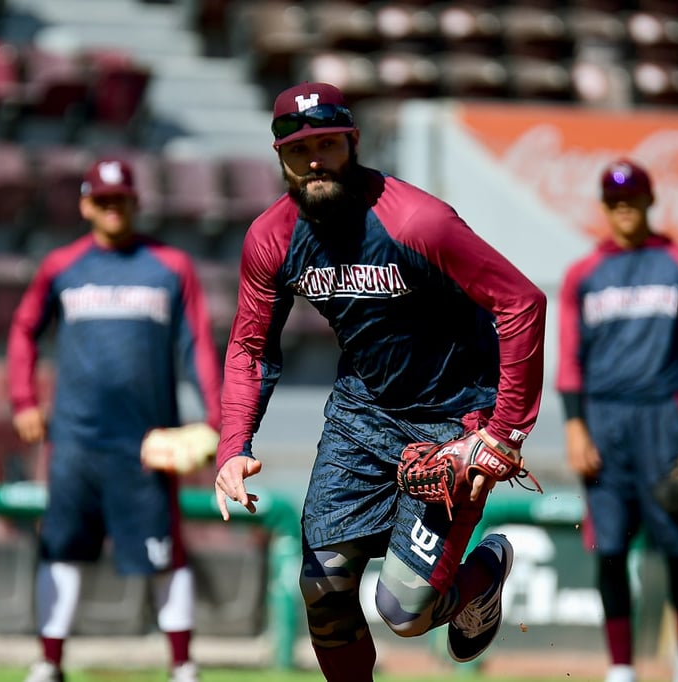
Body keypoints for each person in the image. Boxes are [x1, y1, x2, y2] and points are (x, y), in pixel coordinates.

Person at [213, 82, 547, 681]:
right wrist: (233, 447)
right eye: (298, 150)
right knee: (322, 587)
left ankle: (484, 573)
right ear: (279, 156)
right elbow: (249, 347)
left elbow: (521, 303)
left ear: (354, 143)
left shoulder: (418, 221)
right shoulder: (272, 237)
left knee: (404, 611)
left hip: (453, 419)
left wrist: (503, 432)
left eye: (327, 145)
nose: (314, 161)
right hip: (362, 413)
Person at [8, 157, 223, 682]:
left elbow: (198, 344)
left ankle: (182, 666)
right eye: (101, 200)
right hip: (75, 441)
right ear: (85, 204)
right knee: (61, 548)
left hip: (146, 444)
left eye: (119, 199)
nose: (111, 208)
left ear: (135, 202)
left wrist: (218, 419)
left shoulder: (171, 265)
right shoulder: (61, 266)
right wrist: (23, 400)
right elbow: (22, 331)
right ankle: (50, 663)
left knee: (164, 552)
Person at [556, 159, 678, 682]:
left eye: (632, 200)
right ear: (604, 207)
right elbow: (568, 360)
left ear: (651, 201)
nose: (623, 209)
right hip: (604, 420)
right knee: (609, 548)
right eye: (614, 201)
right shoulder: (583, 275)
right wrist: (574, 427)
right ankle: (622, 668)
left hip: (665, 418)